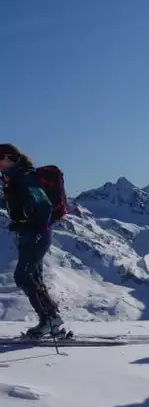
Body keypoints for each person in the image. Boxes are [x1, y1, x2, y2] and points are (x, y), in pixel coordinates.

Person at [0, 144, 66, 338]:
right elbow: (17, 203)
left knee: (24, 276)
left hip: (36, 234)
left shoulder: (26, 177)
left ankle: (50, 320)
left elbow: (43, 204)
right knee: (33, 277)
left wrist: (37, 225)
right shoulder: (15, 177)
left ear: (9, 157)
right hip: (30, 233)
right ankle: (51, 319)